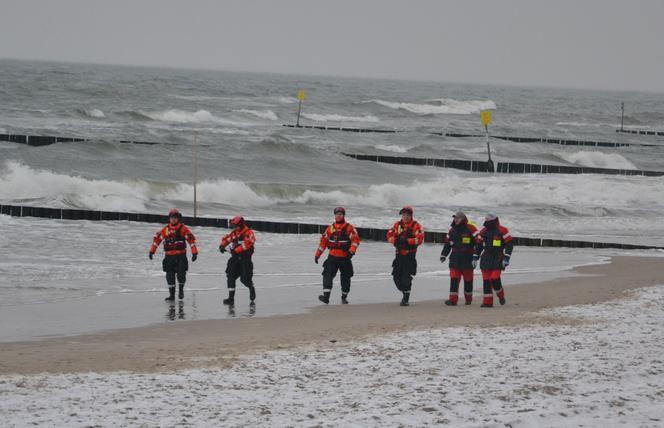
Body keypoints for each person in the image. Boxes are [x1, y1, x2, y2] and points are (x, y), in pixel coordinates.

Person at [149, 208, 198, 301]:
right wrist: (152, 251)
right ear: (169, 218)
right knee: (169, 276)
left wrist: (194, 253)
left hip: (181, 257)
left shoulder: (183, 229)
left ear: (178, 218)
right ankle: (171, 296)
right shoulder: (166, 229)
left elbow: (191, 241)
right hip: (169, 257)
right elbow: (157, 240)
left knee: (181, 275)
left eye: (175, 217)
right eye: (172, 217)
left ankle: (180, 290)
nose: (173, 219)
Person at [314, 207, 360, 304]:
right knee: (327, 275)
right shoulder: (330, 229)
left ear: (343, 215)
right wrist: (317, 255)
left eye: (340, 214)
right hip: (332, 257)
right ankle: (326, 297)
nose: (338, 216)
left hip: (345, 257)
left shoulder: (349, 228)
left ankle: (344, 297)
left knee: (346, 277)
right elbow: (323, 243)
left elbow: (355, 241)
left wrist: (351, 251)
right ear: (334, 215)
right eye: (337, 214)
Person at [387, 205, 424, 306]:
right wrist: (395, 240)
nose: (405, 217)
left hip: (410, 256)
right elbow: (389, 235)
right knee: (396, 277)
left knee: (406, 279)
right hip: (399, 256)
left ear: (411, 215)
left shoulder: (416, 226)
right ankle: (404, 292)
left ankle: (406, 298)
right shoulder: (397, 225)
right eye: (404, 215)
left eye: (407, 215)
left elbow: (419, 239)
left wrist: (407, 241)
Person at [474, 213, 514, 308]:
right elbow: (479, 245)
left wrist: (506, 257)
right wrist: (475, 257)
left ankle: (500, 295)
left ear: (494, 220)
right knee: (486, 281)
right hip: (486, 258)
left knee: (495, 278)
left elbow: (509, 244)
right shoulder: (483, 231)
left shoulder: (503, 230)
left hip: (498, 257)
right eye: (486, 219)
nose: (486, 220)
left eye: (488, 219)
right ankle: (487, 302)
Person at [440, 211, 479, 306]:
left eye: (458, 218)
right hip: (454, 259)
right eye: (455, 218)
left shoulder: (471, 228)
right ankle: (452, 300)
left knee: (468, 281)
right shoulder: (452, 230)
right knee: (454, 279)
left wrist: (475, 256)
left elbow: (479, 242)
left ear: (463, 219)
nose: (456, 219)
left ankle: (468, 299)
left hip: (468, 260)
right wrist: (443, 255)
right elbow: (447, 244)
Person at [219, 216, 256, 306]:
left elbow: (248, 244)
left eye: (235, 226)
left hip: (245, 260)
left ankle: (251, 288)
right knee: (230, 276)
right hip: (235, 259)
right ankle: (231, 298)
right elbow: (227, 239)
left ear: (241, 225)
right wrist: (222, 245)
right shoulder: (234, 233)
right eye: (233, 226)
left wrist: (237, 250)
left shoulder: (249, 233)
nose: (234, 227)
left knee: (245, 280)